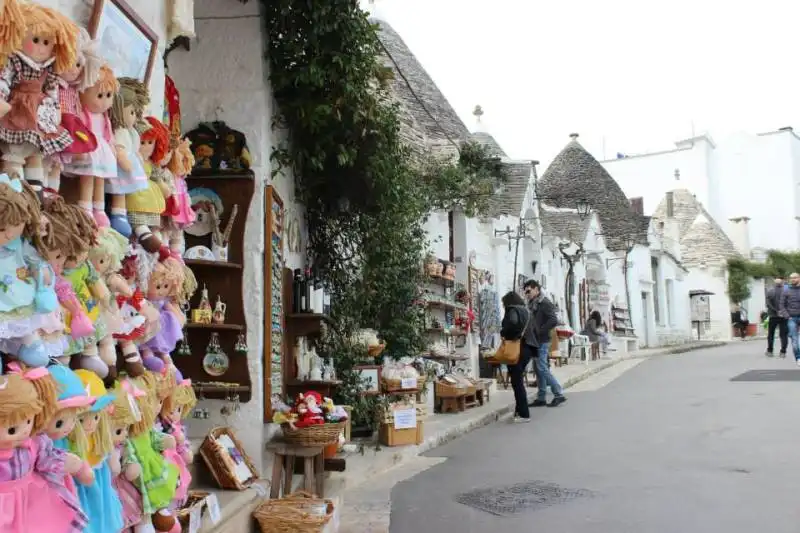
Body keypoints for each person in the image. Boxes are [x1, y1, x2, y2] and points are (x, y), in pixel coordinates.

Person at [523, 280, 566, 407]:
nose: (527, 294)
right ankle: (541, 397)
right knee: (538, 368)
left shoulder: (544, 303)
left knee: (542, 367)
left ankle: (558, 393)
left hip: (542, 340)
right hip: (535, 341)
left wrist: (540, 331)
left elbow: (553, 320)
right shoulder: (532, 303)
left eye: (529, 291)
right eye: (525, 292)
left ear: (536, 289)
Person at [499, 291, 532, 422]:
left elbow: (512, 323)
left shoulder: (512, 310)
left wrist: (504, 332)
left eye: (503, 303)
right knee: (518, 380)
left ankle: (524, 414)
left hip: (516, 348)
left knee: (517, 382)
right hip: (527, 348)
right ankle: (519, 411)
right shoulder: (526, 311)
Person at [779, 272, 800, 365]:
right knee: (794, 340)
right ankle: (798, 358)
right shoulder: (786, 290)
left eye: (795, 278)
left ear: (799, 278)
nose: (793, 279)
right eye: (791, 278)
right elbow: (781, 305)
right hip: (792, 318)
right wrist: (788, 317)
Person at [766, 276, 788, 357]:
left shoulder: (770, 291)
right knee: (783, 335)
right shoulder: (787, 291)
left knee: (771, 334)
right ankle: (783, 352)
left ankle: (770, 351)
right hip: (784, 316)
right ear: (782, 283)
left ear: (774, 283)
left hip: (773, 316)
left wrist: (776, 310)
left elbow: (768, 304)